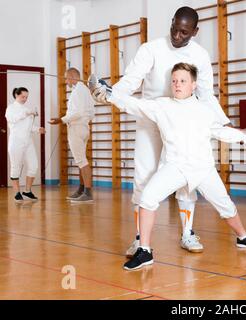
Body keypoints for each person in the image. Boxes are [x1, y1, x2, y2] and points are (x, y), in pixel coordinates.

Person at [91, 62, 246, 270]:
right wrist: (109, 93)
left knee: (226, 206)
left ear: (193, 85)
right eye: (174, 81)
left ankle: (243, 237)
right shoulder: (161, 105)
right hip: (174, 167)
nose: (177, 84)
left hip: (203, 169)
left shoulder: (204, 109)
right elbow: (134, 104)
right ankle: (145, 251)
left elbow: (220, 131)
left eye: (183, 81)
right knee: (147, 199)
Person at [91, 6, 230, 255]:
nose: (178, 36)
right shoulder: (151, 49)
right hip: (151, 120)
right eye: (175, 29)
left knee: (188, 179)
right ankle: (139, 239)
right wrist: (111, 95)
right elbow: (131, 81)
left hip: (184, 125)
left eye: (184, 32)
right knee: (144, 178)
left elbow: (206, 95)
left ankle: (187, 233)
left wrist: (223, 122)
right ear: (172, 23)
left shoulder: (199, 55)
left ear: (195, 32)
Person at [50, 67, 95, 203]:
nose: (65, 81)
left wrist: (61, 119)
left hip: (76, 128)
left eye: (66, 78)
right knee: (81, 160)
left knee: (82, 161)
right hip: (84, 127)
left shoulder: (77, 92)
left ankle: (88, 193)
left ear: (73, 77)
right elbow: (90, 113)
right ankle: (82, 190)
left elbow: (78, 113)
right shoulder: (85, 91)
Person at [5, 87, 46, 203]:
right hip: (16, 141)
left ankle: (27, 191)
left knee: (34, 166)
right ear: (16, 95)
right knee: (15, 166)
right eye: (23, 97)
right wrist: (27, 113)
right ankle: (17, 193)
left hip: (28, 141)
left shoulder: (27, 109)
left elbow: (29, 127)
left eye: (26, 97)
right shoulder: (11, 108)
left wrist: (38, 129)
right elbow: (12, 119)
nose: (25, 99)